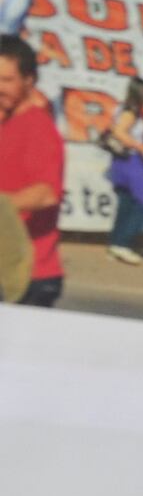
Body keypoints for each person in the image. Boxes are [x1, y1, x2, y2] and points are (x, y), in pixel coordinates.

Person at [0, 33, 66, 307]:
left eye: (6, 80)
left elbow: (47, 193)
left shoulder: (38, 128)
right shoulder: (7, 123)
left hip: (30, 277)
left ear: (30, 81)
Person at [99, 78, 143, 265]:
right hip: (131, 159)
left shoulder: (122, 108)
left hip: (121, 160)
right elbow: (119, 132)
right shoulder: (131, 111)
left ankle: (116, 243)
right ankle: (123, 243)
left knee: (126, 201)